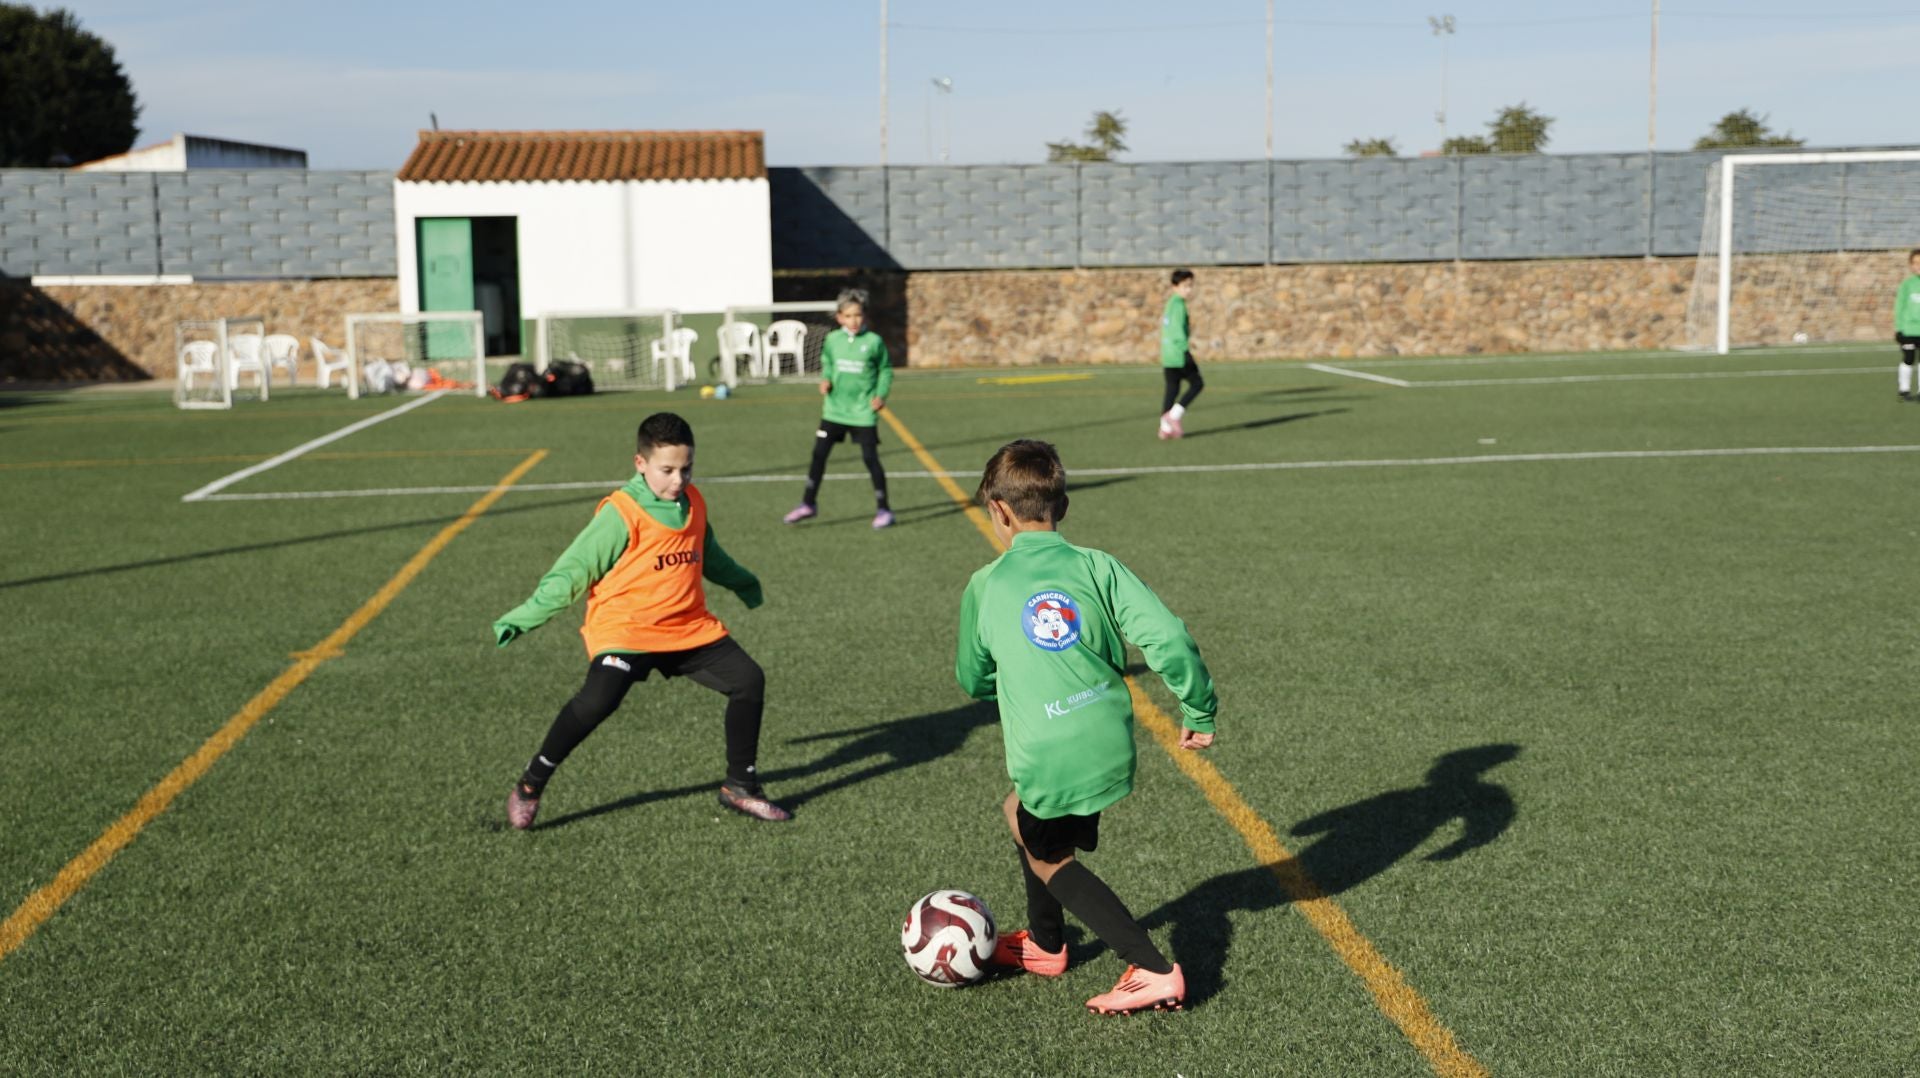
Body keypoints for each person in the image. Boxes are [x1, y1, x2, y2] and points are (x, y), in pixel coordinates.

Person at [954, 439, 1218, 1015]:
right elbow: (1168, 638)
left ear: (998, 511)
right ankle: (1048, 945)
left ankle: (1154, 968)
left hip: (1050, 749)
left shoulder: (986, 584)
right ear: (1063, 508)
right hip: (1108, 739)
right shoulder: (1099, 566)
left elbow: (972, 679)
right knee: (1017, 811)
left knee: (1052, 858)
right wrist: (1197, 709)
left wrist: (1017, 681)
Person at [493, 411, 791, 828]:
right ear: (641, 464)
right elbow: (573, 570)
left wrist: (745, 583)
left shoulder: (694, 502)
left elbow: (710, 557)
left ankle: (740, 786)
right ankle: (530, 784)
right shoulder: (621, 512)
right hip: (627, 629)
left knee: (748, 680)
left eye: (686, 468)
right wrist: (523, 617)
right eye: (666, 470)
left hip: (686, 627)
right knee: (598, 701)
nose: (678, 479)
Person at [783, 289, 895, 528]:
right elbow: (828, 362)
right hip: (834, 410)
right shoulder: (833, 340)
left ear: (864, 315)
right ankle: (808, 504)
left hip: (862, 412)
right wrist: (826, 379)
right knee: (818, 456)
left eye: (858, 315)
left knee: (870, 458)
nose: (853, 320)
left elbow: (885, 369)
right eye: (848, 315)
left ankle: (884, 509)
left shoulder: (874, 342)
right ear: (839, 317)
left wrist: (880, 394)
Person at [1158, 269, 1204, 439]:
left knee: (1172, 389)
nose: (1189, 290)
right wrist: (1186, 351)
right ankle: (1173, 416)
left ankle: (1165, 428)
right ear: (1175, 286)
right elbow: (1177, 332)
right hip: (1178, 354)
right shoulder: (1178, 305)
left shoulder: (1170, 303)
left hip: (1167, 354)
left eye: (1191, 286)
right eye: (1185, 286)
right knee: (1197, 384)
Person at [1894, 249, 1920, 401]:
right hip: (1909, 330)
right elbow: (1899, 307)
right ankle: (1904, 390)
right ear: (1910, 265)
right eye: (1915, 263)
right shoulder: (1906, 285)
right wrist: (1899, 329)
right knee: (1908, 358)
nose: (1918, 266)